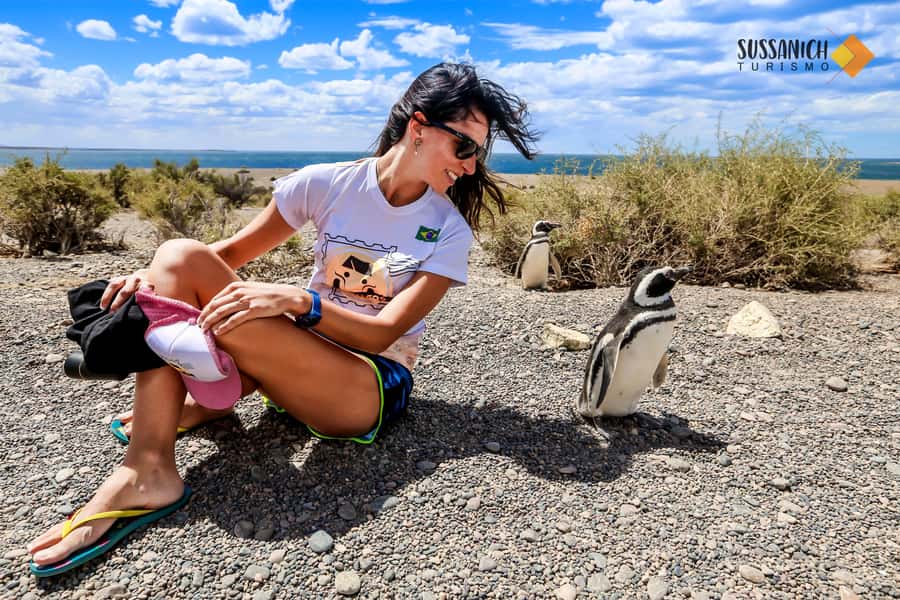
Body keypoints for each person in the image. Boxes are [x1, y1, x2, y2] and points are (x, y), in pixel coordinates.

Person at [27, 62, 539, 574]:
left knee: (195, 293)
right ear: (419, 126)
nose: (471, 167)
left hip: (364, 385)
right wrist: (151, 276)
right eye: (465, 148)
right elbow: (223, 254)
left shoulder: (448, 230)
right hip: (295, 357)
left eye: (479, 153)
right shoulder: (326, 184)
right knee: (179, 256)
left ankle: (208, 395)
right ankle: (149, 467)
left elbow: (386, 330)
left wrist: (301, 301)